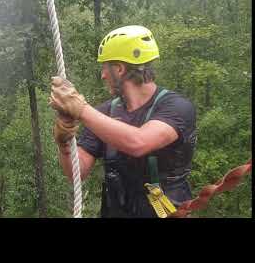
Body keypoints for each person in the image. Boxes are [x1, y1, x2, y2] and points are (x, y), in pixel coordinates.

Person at [50, 25, 197, 218]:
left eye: (105, 67)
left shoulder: (177, 107)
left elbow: (139, 142)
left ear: (119, 69)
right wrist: (64, 145)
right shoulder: (105, 113)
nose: (103, 75)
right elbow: (77, 173)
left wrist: (81, 109)